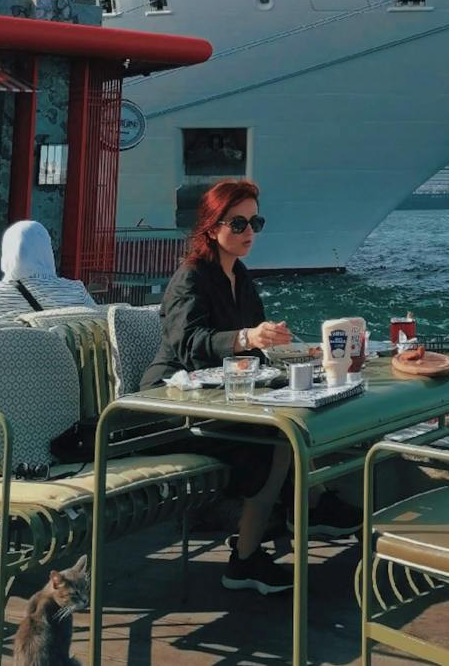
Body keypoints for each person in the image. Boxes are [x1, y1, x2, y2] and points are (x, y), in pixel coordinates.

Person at [140, 178, 360, 595]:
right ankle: (248, 558)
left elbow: (251, 349)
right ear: (211, 227)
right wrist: (247, 337)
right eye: (237, 223)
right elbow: (190, 344)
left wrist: (290, 350)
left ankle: (310, 506)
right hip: (170, 405)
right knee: (276, 439)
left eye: (254, 222)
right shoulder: (191, 277)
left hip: (220, 398)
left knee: (293, 425)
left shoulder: (240, 276)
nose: (248, 233)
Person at [0, 220, 98, 325]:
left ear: (7, 253)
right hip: (62, 361)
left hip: (4, 361)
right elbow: (100, 327)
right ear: (47, 252)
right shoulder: (76, 290)